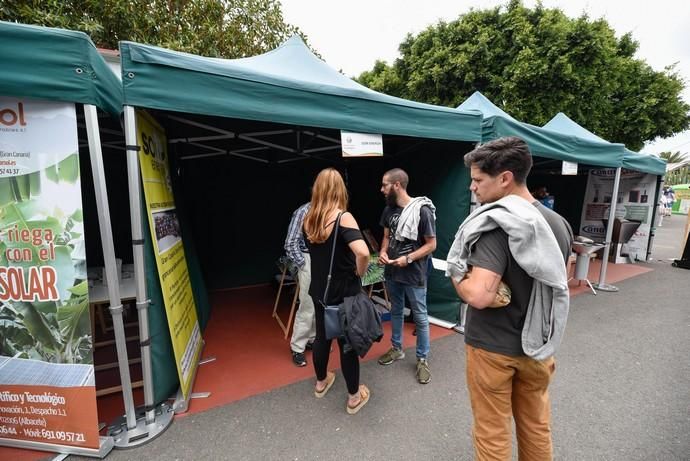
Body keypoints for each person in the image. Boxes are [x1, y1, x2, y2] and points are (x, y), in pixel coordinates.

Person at [447, 137, 573, 461]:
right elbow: (562, 277)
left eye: (478, 180)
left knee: (492, 431)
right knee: (535, 425)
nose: (473, 188)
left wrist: (456, 277)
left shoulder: (496, 223)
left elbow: (478, 294)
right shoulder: (559, 224)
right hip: (540, 347)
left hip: (493, 347)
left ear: (504, 178)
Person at [303, 168, 371, 414]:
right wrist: (359, 272)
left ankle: (321, 383)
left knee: (322, 338)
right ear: (339, 189)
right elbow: (363, 252)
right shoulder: (343, 217)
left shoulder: (308, 218)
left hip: (320, 290)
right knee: (347, 344)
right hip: (343, 292)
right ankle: (354, 397)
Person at [377, 168, 437, 384]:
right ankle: (396, 348)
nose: (381, 189)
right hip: (393, 270)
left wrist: (409, 258)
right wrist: (383, 252)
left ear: (397, 185)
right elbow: (386, 236)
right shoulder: (388, 210)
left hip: (413, 272)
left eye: (384, 185)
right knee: (396, 311)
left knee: (420, 316)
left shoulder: (422, 211)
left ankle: (422, 359)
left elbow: (432, 244)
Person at [284, 202, 315, 367]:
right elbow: (290, 242)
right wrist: (303, 264)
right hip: (309, 258)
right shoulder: (303, 211)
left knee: (321, 304)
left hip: (325, 262)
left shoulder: (333, 209)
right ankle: (298, 347)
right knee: (307, 305)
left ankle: (313, 339)